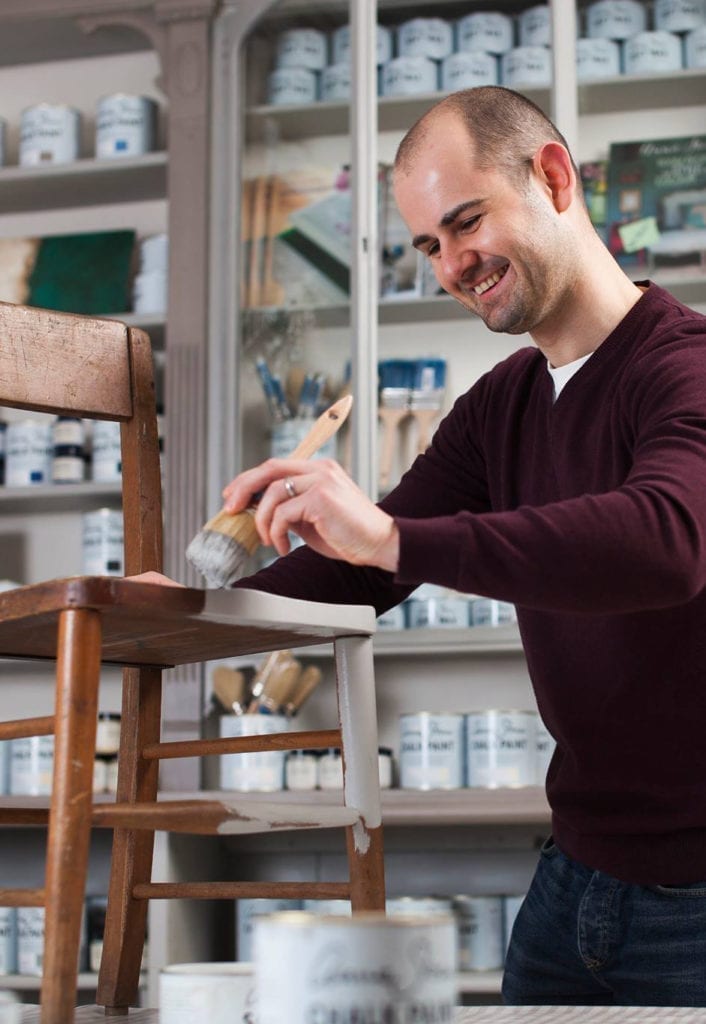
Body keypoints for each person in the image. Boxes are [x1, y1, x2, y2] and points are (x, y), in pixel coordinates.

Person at [143, 87, 706, 1006]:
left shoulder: (685, 365)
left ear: (554, 177)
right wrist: (186, 613)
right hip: (572, 882)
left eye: (466, 222)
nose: (454, 264)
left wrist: (390, 534)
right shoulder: (500, 407)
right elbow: (346, 578)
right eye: (429, 246)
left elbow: (667, 541)